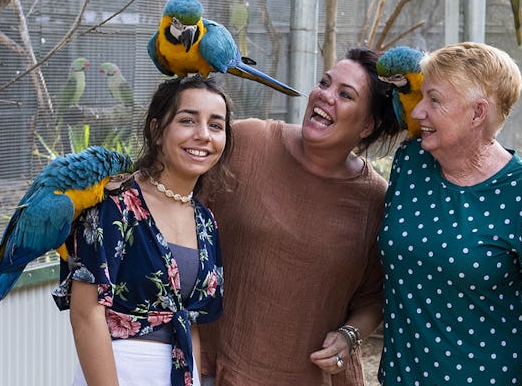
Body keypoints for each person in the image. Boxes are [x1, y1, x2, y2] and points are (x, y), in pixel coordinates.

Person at [197, 47, 402, 385]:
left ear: (368, 125)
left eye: (345, 94)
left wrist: (350, 336)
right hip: (216, 368)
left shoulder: (375, 200)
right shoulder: (248, 141)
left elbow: (375, 296)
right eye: (325, 83)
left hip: (310, 376)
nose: (325, 96)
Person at [377, 42, 522, 386]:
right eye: (421, 97)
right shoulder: (409, 163)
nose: (417, 112)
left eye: (434, 100)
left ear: (477, 113)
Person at [53, 75, 233, 386]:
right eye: (188, 120)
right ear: (156, 131)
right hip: (119, 371)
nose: (203, 135)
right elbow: (86, 316)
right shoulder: (113, 203)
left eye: (216, 125)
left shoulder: (206, 222)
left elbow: (190, 323)